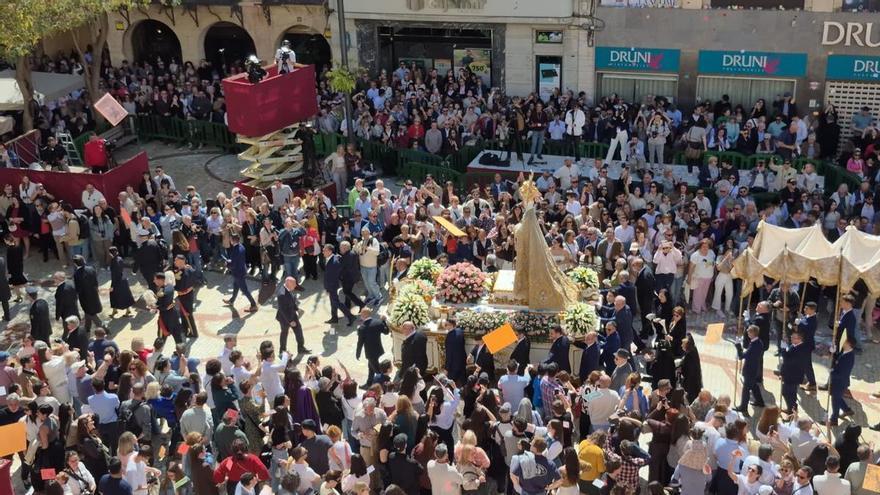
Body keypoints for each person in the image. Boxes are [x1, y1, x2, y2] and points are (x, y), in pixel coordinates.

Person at [734, 325, 765, 417]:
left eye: (748, 332)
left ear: (753, 333)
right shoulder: (758, 342)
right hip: (754, 368)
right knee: (754, 386)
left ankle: (743, 407)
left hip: (750, 370)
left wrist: (738, 346)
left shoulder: (754, 345)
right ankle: (760, 401)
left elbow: (742, 356)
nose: (747, 333)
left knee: (746, 389)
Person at [222, 234, 258, 313]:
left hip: (238, 273)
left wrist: (227, 264)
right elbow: (238, 260)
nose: (230, 241)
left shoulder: (235, 250)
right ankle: (232, 301)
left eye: (230, 239)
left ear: (232, 241)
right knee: (235, 286)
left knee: (245, 290)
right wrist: (230, 261)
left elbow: (233, 264)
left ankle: (253, 305)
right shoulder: (241, 246)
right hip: (241, 270)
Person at [322, 244, 354, 326]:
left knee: (336, 302)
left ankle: (350, 316)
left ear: (330, 251)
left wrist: (328, 288)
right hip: (331, 285)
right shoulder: (332, 258)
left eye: (324, 250)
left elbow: (333, 276)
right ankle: (334, 318)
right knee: (333, 302)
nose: (323, 252)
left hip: (332, 286)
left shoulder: (334, 262)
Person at [276, 276, 309, 354]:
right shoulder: (282, 294)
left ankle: (301, 348)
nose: (295, 286)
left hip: (292, 314)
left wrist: (297, 309)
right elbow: (282, 310)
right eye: (294, 285)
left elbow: (291, 300)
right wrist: (290, 321)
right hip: (285, 319)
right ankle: (282, 351)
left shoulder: (288, 289)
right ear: (288, 284)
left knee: (299, 331)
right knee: (284, 334)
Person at [355, 307, 389, 385]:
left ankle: (385, 385)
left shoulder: (362, 328)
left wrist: (358, 353)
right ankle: (369, 383)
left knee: (378, 372)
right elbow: (386, 331)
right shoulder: (378, 322)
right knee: (371, 368)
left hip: (370, 353)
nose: (360, 316)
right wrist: (383, 321)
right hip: (378, 350)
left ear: (364, 315)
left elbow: (360, 342)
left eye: (361, 314)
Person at [72, 254, 104, 333]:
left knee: (91, 314)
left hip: (85, 298)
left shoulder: (77, 274)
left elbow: (78, 288)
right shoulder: (91, 268)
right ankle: (87, 328)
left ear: (75, 264)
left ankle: (104, 329)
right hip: (93, 294)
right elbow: (95, 281)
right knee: (88, 313)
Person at [172, 255, 199, 339]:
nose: (174, 262)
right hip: (188, 294)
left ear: (181, 262)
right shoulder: (189, 268)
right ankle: (184, 328)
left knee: (187, 314)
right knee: (182, 313)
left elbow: (179, 287)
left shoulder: (183, 274)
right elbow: (196, 280)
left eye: (176, 261)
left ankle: (194, 332)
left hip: (185, 297)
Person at [109, 247, 135, 318]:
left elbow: (114, 275)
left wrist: (112, 286)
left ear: (111, 254)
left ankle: (116, 310)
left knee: (115, 296)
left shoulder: (113, 261)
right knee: (125, 295)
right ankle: (124, 310)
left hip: (117, 281)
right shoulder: (120, 258)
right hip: (123, 280)